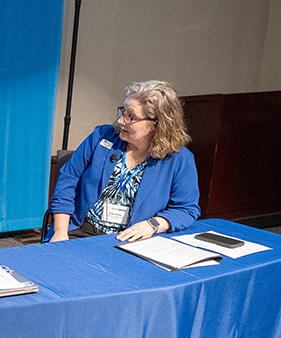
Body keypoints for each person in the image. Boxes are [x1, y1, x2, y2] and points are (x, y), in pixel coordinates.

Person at [48, 80, 200, 243]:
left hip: (131, 240)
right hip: (80, 230)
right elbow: (68, 180)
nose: (121, 121)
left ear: (156, 125)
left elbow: (186, 209)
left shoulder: (179, 159)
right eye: (123, 112)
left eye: (131, 117)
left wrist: (153, 224)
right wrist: (60, 231)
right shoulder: (102, 136)